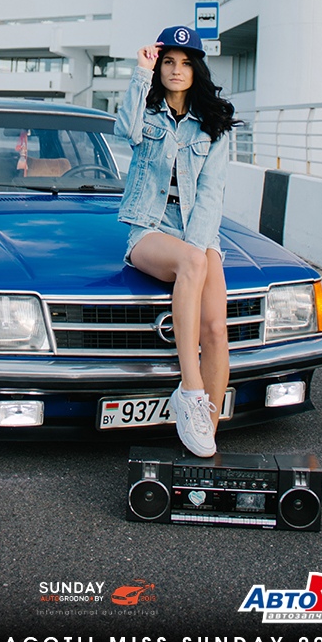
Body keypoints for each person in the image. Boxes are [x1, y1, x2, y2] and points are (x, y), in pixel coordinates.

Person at [114, 26, 236, 457]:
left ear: (196, 69)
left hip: (196, 233)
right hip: (149, 228)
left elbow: (211, 193)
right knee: (192, 263)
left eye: (185, 63)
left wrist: (197, 249)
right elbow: (123, 131)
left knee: (216, 329)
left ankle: (207, 429)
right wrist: (140, 71)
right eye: (168, 62)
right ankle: (190, 390)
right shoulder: (146, 112)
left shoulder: (214, 125)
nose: (176, 70)